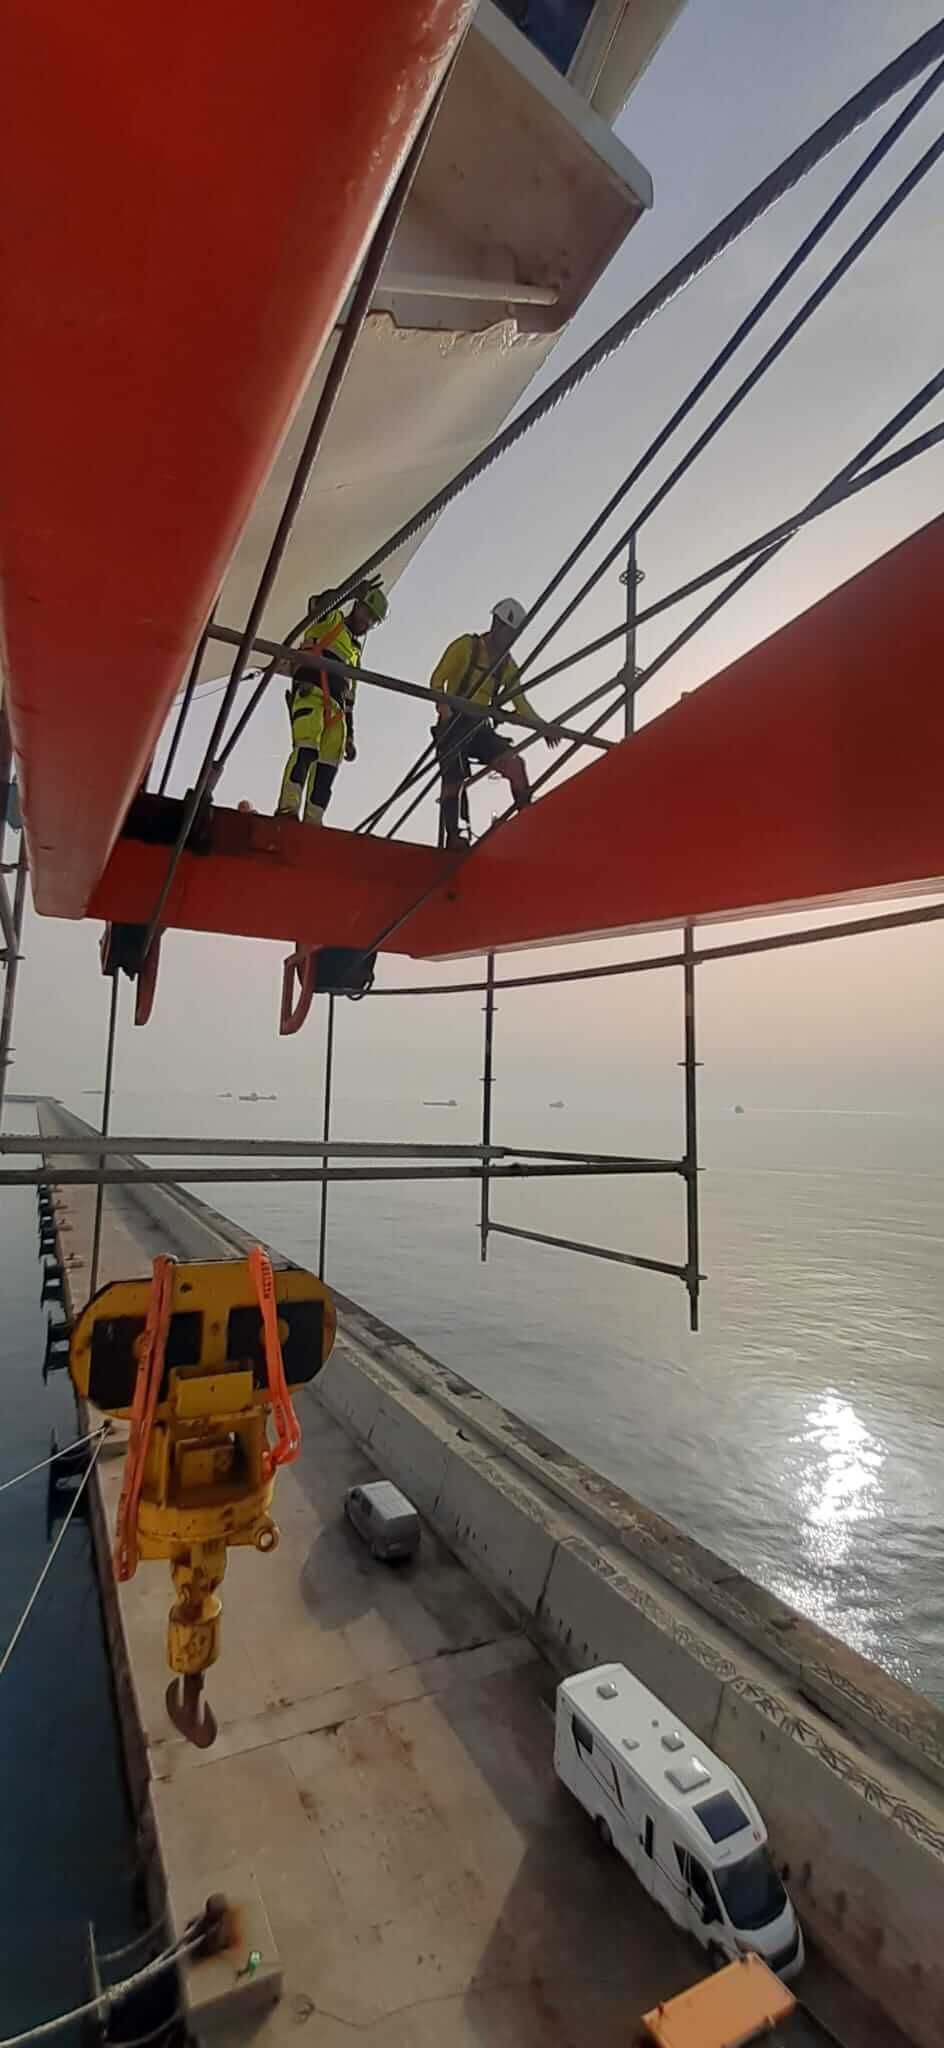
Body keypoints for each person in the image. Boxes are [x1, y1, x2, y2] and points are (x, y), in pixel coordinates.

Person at [430, 598, 562, 849]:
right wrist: (443, 708)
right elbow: (437, 680)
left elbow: (521, 703)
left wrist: (543, 726)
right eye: (509, 633)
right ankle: (454, 836)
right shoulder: (466, 647)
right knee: (454, 778)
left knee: (515, 765)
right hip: (453, 722)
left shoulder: (507, 666)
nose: (511, 640)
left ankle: (527, 822)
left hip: (479, 727)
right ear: (497, 625)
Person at [276, 581, 388, 824]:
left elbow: (350, 698)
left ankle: (314, 820)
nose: (368, 623)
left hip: (337, 711)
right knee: (306, 749)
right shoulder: (331, 620)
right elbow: (319, 604)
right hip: (311, 693)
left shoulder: (355, 652)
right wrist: (349, 592)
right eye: (367, 614)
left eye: (373, 621)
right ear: (357, 606)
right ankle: (287, 809)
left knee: (327, 768)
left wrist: (350, 735)